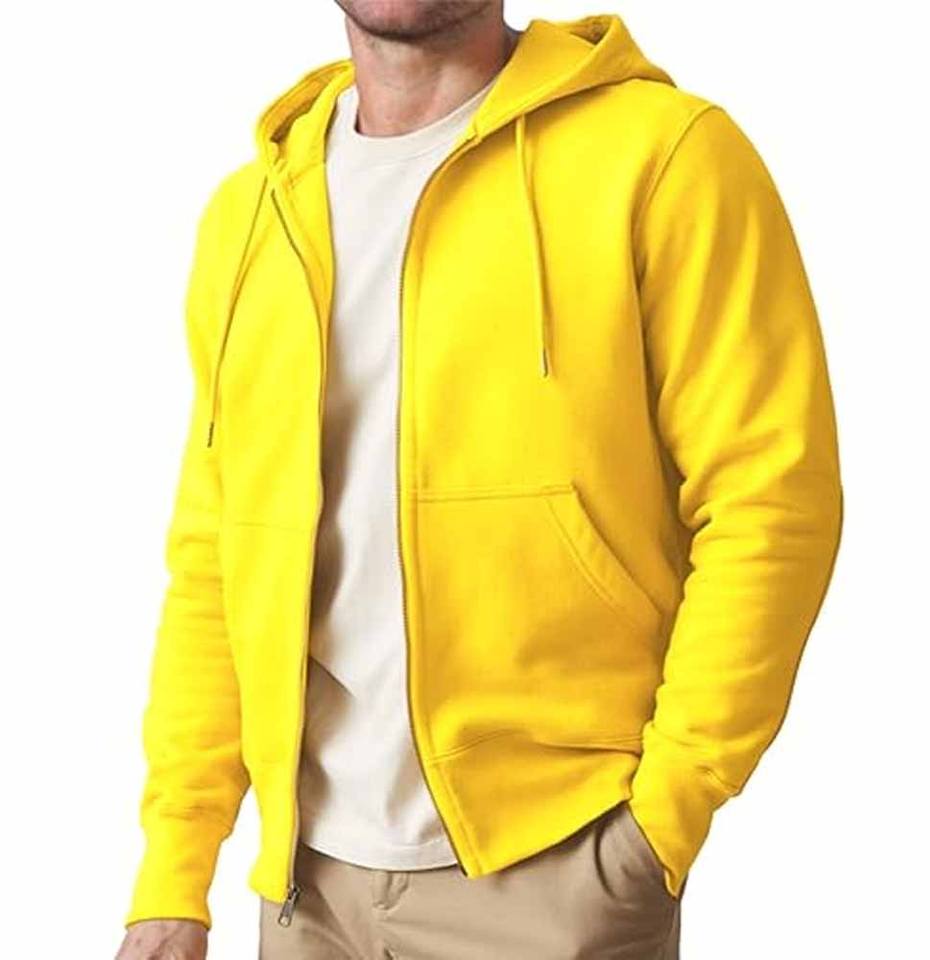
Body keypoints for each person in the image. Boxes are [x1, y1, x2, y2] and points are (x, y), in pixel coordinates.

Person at [115, 2, 844, 958]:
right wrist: (173, 871)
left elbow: (770, 499)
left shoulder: (666, 157)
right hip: (306, 890)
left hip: (555, 868)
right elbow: (218, 557)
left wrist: (659, 823)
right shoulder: (253, 213)